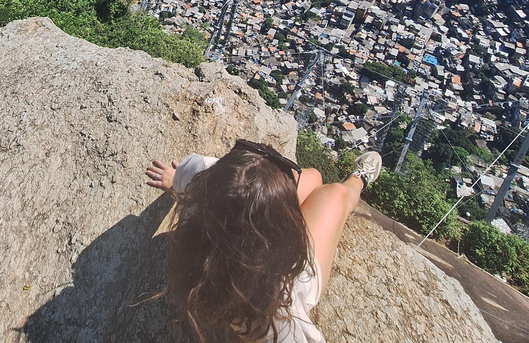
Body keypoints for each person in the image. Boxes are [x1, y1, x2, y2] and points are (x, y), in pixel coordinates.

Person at [145, 140, 382, 343]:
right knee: (334, 194)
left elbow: (192, 172)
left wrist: (176, 182)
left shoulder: (201, 184)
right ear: (287, 225)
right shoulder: (273, 305)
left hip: (248, 236)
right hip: (290, 273)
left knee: (312, 176)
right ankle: (358, 179)